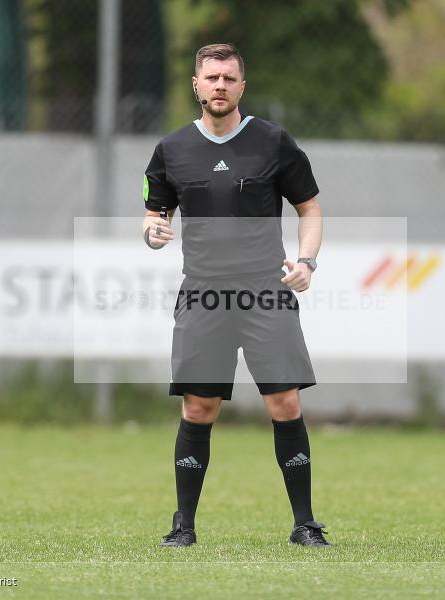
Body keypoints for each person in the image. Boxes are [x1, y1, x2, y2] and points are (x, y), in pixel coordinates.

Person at [142, 43, 328, 547]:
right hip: (202, 293)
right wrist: (153, 232)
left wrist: (307, 262)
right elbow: (154, 214)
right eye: (211, 77)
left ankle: (305, 525)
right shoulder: (171, 149)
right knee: (198, 408)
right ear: (196, 85)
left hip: (266, 290)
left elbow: (309, 209)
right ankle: (183, 527)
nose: (220, 85)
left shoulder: (273, 142)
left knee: (284, 402)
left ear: (242, 86)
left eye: (228, 78)